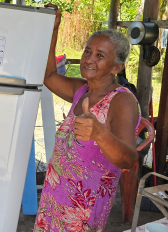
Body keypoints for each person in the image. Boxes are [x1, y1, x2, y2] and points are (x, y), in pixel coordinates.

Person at [34, 4, 140, 232]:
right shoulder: (82, 90)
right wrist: (53, 30)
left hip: (83, 207)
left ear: (117, 67)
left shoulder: (121, 101)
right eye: (87, 51)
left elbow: (128, 159)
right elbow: (49, 76)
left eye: (100, 55)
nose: (89, 59)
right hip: (56, 195)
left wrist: (99, 133)